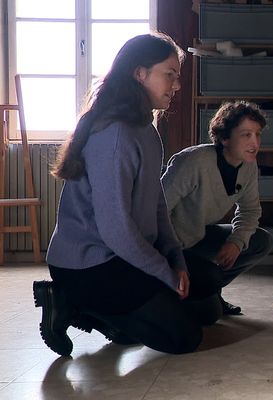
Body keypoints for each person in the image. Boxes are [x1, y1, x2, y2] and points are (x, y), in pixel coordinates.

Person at [33, 32, 222, 357]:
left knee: (208, 291)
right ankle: (72, 303)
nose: (176, 85)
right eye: (170, 75)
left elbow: (158, 202)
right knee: (185, 337)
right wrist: (164, 273)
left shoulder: (145, 129)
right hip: (89, 267)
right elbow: (116, 230)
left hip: (122, 257)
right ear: (139, 73)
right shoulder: (116, 135)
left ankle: (122, 317)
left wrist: (175, 260)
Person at [161, 100, 273, 315]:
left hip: (197, 237)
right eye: (246, 134)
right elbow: (156, 212)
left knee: (262, 240)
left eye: (257, 134)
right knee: (210, 314)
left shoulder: (248, 165)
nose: (255, 143)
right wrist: (172, 257)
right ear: (224, 138)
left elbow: (250, 211)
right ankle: (189, 291)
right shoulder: (193, 161)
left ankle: (208, 288)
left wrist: (235, 243)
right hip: (168, 247)